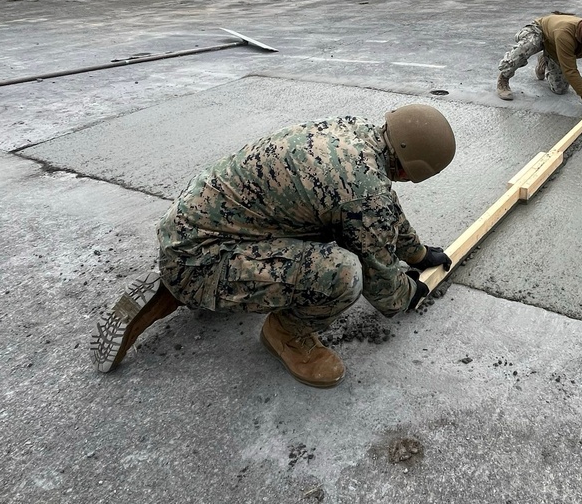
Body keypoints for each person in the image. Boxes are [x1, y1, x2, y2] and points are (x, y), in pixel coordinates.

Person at [90, 105, 457, 388]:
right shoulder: (365, 193)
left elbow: (381, 213)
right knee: (342, 274)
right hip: (204, 255)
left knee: (333, 225)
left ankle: (184, 280)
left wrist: (417, 253)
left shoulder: (355, 134)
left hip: (195, 227)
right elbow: (383, 287)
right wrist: (409, 290)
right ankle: (283, 332)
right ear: (412, 171)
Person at [496, 2, 582, 112]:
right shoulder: (565, 33)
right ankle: (504, 77)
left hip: (554, 47)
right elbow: (570, 70)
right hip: (539, 31)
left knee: (560, 89)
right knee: (529, 45)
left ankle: (544, 60)